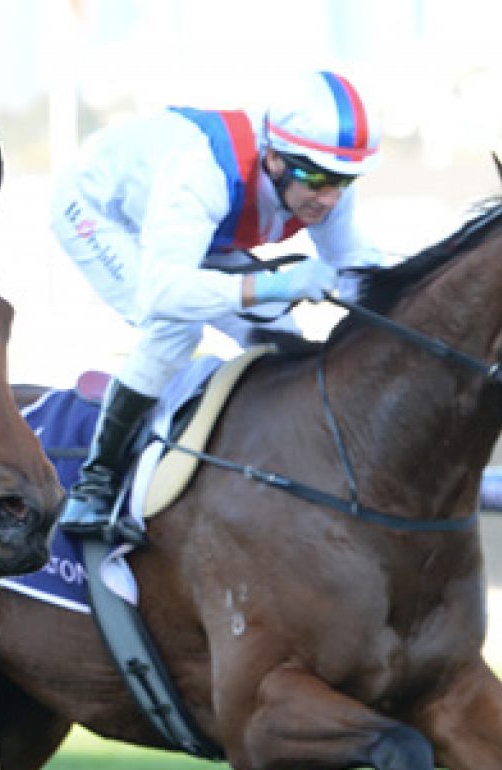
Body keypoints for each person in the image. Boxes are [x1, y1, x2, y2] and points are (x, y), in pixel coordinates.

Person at [49, 70, 384, 540]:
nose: (329, 198)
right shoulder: (200, 174)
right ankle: (94, 488)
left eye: (344, 181)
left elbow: (356, 269)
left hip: (192, 234)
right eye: (317, 179)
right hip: (100, 212)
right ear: (274, 158)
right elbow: (165, 292)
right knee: (174, 328)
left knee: (279, 333)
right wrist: (275, 285)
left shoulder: (320, 182)